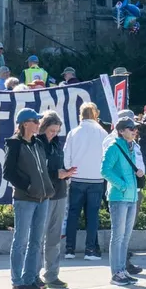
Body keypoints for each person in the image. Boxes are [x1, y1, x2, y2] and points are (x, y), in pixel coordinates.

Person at [3, 108, 53, 289]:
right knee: (21, 241)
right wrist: (28, 186)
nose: (39, 124)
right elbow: (8, 172)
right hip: (25, 199)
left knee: (36, 241)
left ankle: (30, 280)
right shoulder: (15, 144)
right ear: (25, 123)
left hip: (42, 198)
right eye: (35, 121)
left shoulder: (38, 143)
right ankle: (17, 284)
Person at [62, 102, 107, 261]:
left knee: (73, 213)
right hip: (96, 179)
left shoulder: (73, 132)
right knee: (93, 215)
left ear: (80, 114)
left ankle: (69, 249)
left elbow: (66, 155)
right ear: (96, 114)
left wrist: (69, 171)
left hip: (77, 177)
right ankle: (90, 250)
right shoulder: (102, 133)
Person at [36, 110, 75, 288]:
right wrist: (56, 174)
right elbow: (37, 171)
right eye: (51, 130)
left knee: (54, 238)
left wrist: (66, 173)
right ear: (43, 127)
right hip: (43, 196)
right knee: (37, 238)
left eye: (57, 131)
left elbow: (58, 166)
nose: (54, 134)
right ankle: (33, 274)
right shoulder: (37, 144)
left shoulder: (57, 143)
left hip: (59, 193)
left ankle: (51, 275)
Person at [102, 116, 141, 286]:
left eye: (135, 128)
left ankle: (122, 270)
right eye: (131, 128)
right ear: (121, 131)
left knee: (125, 237)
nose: (134, 131)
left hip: (131, 196)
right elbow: (105, 170)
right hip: (119, 197)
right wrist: (123, 185)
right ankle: (116, 273)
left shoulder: (131, 147)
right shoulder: (114, 147)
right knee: (118, 237)